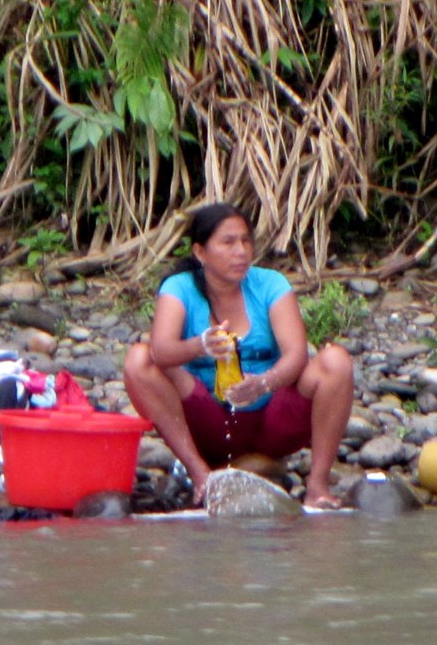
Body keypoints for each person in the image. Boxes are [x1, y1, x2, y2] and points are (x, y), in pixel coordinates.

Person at [123, 203, 354, 508]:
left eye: (246, 241)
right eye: (228, 242)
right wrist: (200, 346)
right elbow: (161, 351)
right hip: (209, 420)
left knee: (336, 361)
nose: (241, 251)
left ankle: (318, 486)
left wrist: (263, 383)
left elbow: (296, 356)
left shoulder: (270, 284)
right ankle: (200, 474)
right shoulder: (179, 288)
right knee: (139, 360)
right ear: (201, 252)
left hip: (271, 421)